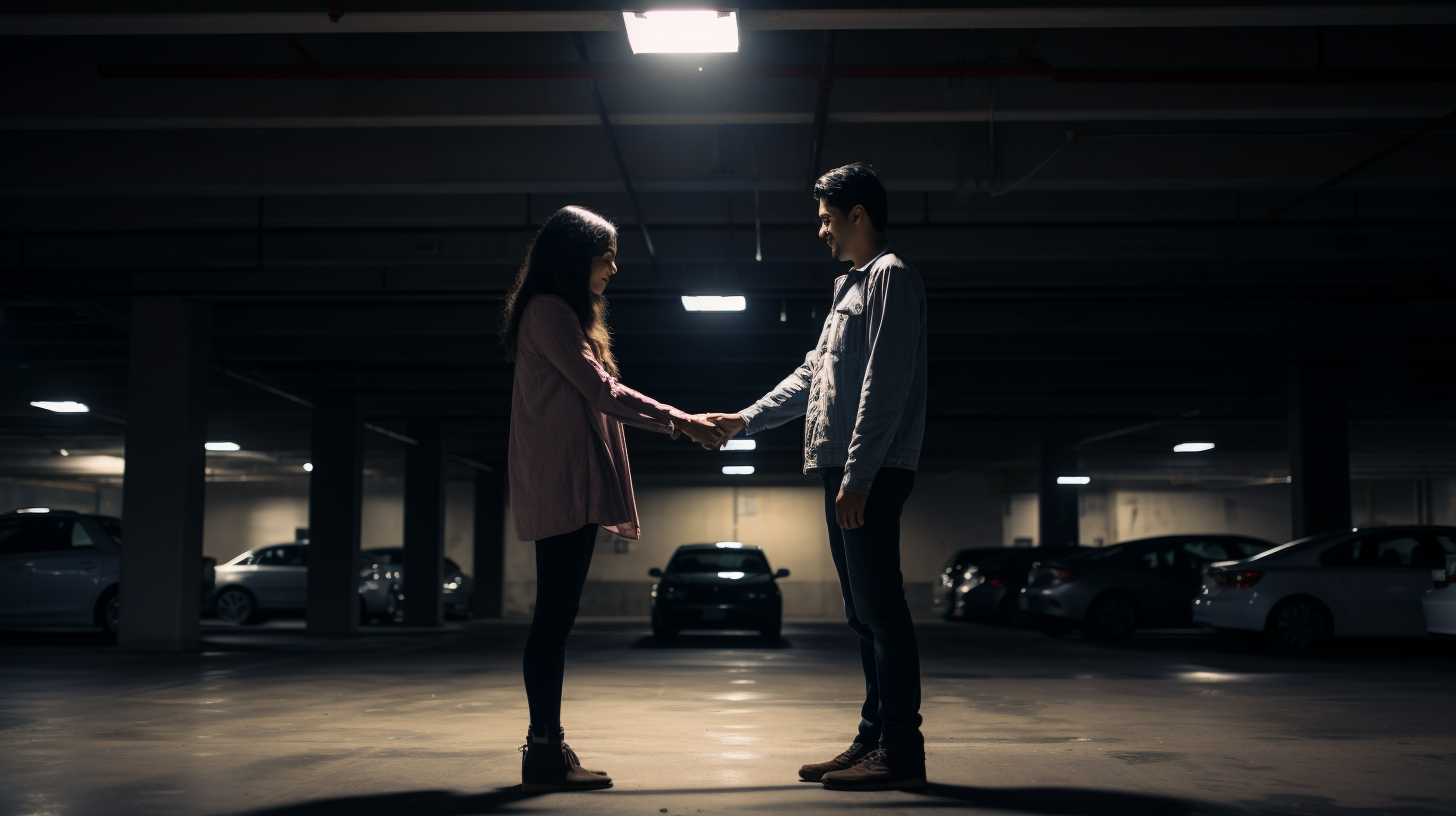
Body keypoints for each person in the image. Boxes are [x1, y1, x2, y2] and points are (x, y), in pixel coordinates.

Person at [702, 164, 930, 791]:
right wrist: (743, 419)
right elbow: (813, 380)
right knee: (864, 614)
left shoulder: (890, 278)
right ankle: (874, 736)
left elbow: (886, 384)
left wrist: (857, 476)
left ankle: (902, 750)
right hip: (845, 469)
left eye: (828, 218)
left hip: (871, 470)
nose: (821, 230)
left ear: (858, 214)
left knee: (882, 611)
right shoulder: (847, 291)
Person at [502, 205, 721, 791]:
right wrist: (683, 422)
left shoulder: (561, 314)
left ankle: (548, 745)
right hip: (561, 482)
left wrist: (681, 421)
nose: (614, 269)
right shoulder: (548, 312)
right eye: (607, 257)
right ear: (577, 259)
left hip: (567, 480)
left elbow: (601, 392)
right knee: (553, 620)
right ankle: (544, 750)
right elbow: (602, 392)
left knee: (556, 618)